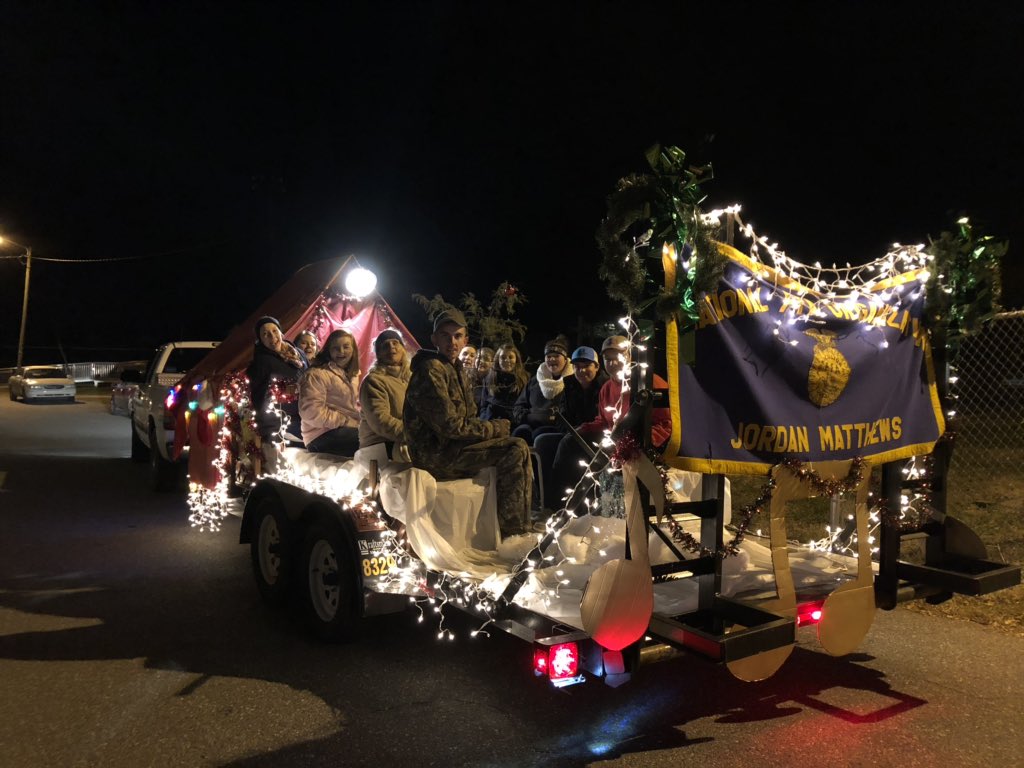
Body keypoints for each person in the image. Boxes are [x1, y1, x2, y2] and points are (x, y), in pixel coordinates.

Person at [404, 309, 532, 539]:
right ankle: (512, 535)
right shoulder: (430, 369)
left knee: (518, 446)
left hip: (453, 447)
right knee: (514, 449)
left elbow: (469, 419)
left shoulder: (457, 369)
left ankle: (518, 530)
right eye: (445, 335)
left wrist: (492, 430)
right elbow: (451, 426)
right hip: (436, 455)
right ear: (434, 339)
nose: (452, 342)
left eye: (457, 336)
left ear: (465, 340)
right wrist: (495, 428)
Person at [551, 335, 672, 512]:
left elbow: (667, 423)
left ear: (629, 356)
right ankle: (567, 506)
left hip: (642, 444)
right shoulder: (607, 387)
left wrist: (642, 441)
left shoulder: (650, 381)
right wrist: (582, 429)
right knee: (569, 443)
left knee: (593, 456)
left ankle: (594, 507)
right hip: (614, 440)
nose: (612, 363)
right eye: (608, 359)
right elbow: (603, 421)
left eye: (617, 357)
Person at [534, 346, 609, 509]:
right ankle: (543, 498)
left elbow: (603, 420)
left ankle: (558, 503)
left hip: (596, 434)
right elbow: (562, 416)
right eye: (577, 366)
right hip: (574, 432)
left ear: (596, 366)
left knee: (567, 445)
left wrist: (577, 433)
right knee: (542, 441)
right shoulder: (569, 385)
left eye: (586, 366)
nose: (581, 371)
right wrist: (570, 431)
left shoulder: (605, 385)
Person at [299, 328, 361, 455]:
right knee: (372, 441)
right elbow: (311, 412)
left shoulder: (353, 374)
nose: (341, 352)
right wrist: (346, 421)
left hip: (346, 428)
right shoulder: (316, 374)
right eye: (336, 348)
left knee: (378, 435)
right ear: (328, 350)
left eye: (346, 347)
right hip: (319, 435)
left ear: (353, 349)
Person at [247, 315, 308, 443]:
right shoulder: (262, 363)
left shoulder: (299, 354)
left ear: (281, 332)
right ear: (260, 340)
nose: (272, 336)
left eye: (275, 331)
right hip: (285, 423)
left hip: (309, 413)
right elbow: (260, 398)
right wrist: (271, 431)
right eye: (265, 334)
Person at [358, 328, 412, 461]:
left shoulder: (412, 379)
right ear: (378, 354)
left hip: (405, 439)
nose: (391, 347)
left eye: (395, 343)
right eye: (385, 345)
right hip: (380, 444)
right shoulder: (373, 381)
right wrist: (415, 434)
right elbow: (381, 421)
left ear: (403, 348)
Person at [512, 335, 573, 444]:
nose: (552, 359)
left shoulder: (572, 382)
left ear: (565, 359)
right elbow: (519, 406)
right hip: (531, 425)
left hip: (556, 428)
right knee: (519, 433)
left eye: (556, 356)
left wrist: (548, 418)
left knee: (539, 436)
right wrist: (528, 417)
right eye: (548, 356)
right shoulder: (535, 381)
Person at [479, 343, 528, 421]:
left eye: (510, 357)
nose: (507, 360)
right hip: (491, 420)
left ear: (516, 360)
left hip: (514, 421)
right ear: (498, 360)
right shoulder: (489, 379)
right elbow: (483, 406)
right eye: (503, 357)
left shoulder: (524, 379)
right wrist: (485, 421)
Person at [471, 346, 495, 414]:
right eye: (478, 358)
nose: (481, 361)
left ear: (493, 363)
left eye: (486, 359)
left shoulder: (495, 382)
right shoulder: (468, 379)